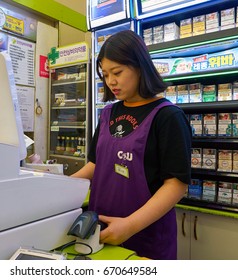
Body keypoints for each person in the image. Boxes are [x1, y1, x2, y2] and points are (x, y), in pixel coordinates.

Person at [71, 30, 191, 260]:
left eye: (117, 72)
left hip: (145, 237)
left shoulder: (168, 117)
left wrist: (129, 226)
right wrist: (58, 186)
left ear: (140, 66)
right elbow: (96, 164)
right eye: (105, 75)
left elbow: (176, 185)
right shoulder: (108, 113)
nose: (111, 82)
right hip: (101, 231)